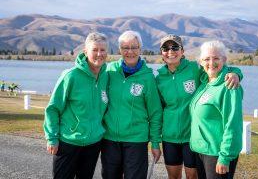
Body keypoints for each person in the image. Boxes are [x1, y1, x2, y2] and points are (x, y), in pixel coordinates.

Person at [156, 35, 242, 179]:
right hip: (171, 137)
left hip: (192, 138)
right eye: (166, 48)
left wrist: (236, 73)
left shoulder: (195, 70)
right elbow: (158, 110)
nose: (170, 51)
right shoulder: (159, 78)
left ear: (182, 51)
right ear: (161, 53)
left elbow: (217, 70)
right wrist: (155, 139)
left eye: (175, 47)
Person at [43, 32, 109, 179]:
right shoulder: (70, 76)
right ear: (86, 51)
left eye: (103, 50)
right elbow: (53, 108)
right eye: (95, 50)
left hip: (93, 144)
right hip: (68, 143)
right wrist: (52, 137)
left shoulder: (106, 76)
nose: (99, 54)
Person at [101, 30, 163, 179]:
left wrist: (155, 143)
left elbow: (155, 113)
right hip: (109, 139)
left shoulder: (148, 78)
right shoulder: (109, 71)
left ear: (140, 49)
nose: (130, 52)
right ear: (119, 50)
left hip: (136, 140)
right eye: (125, 47)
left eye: (134, 47)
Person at [189, 40, 243, 179]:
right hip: (201, 152)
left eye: (216, 58)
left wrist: (225, 157)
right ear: (201, 62)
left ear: (224, 60)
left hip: (217, 153)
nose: (211, 62)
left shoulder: (229, 86)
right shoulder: (204, 83)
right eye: (207, 59)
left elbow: (233, 124)